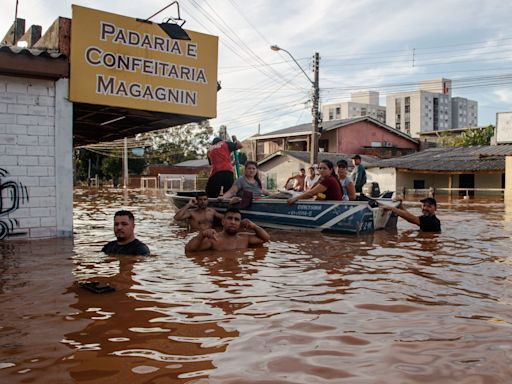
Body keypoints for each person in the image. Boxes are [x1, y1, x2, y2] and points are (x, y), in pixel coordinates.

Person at [185, 208, 270, 251]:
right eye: (230, 218)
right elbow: (189, 250)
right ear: (223, 222)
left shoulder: (245, 238)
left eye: (236, 220)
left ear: (240, 223)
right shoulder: (214, 239)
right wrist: (201, 235)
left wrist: (254, 226)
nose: (233, 222)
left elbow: (266, 238)